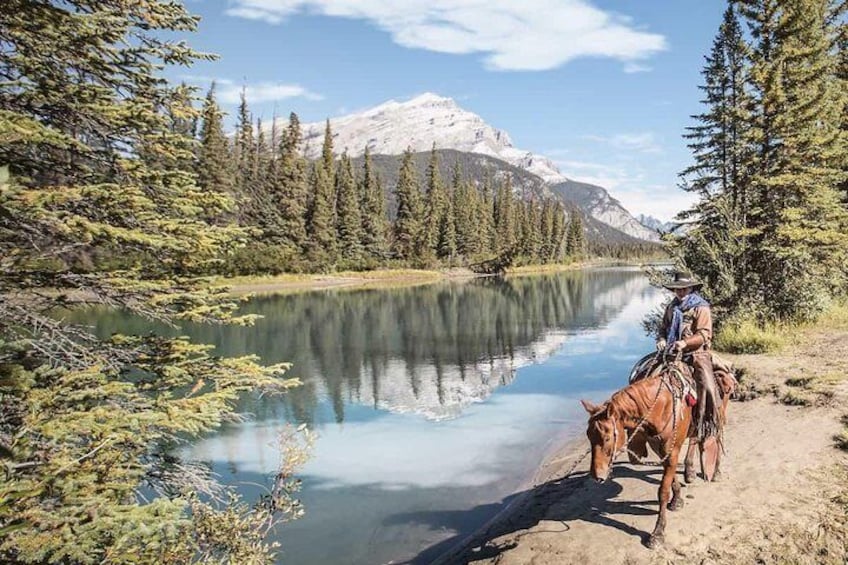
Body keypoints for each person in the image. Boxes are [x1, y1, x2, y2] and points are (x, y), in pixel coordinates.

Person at [656, 271, 721, 442]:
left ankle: (707, 421)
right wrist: (661, 339)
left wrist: (685, 343)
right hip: (671, 353)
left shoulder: (701, 307)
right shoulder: (671, 307)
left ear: (691, 288)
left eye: (684, 289)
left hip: (696, 353)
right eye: (678, 289)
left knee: (707, 386)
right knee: (642, 375)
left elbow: (704, 334)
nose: (681, 292)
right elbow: (663, 328)